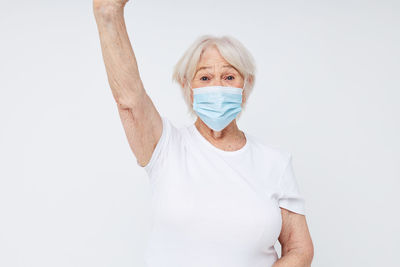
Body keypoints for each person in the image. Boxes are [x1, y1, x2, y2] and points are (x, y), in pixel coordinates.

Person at [93, 1, 314, 266]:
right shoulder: (166, 147)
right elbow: (129, 98)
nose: (218, 86)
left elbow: (299, 249)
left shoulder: (274, 163)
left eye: (229, 77)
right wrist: (108, 14)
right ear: (187, 86)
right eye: (205, 78)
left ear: (247, 85)